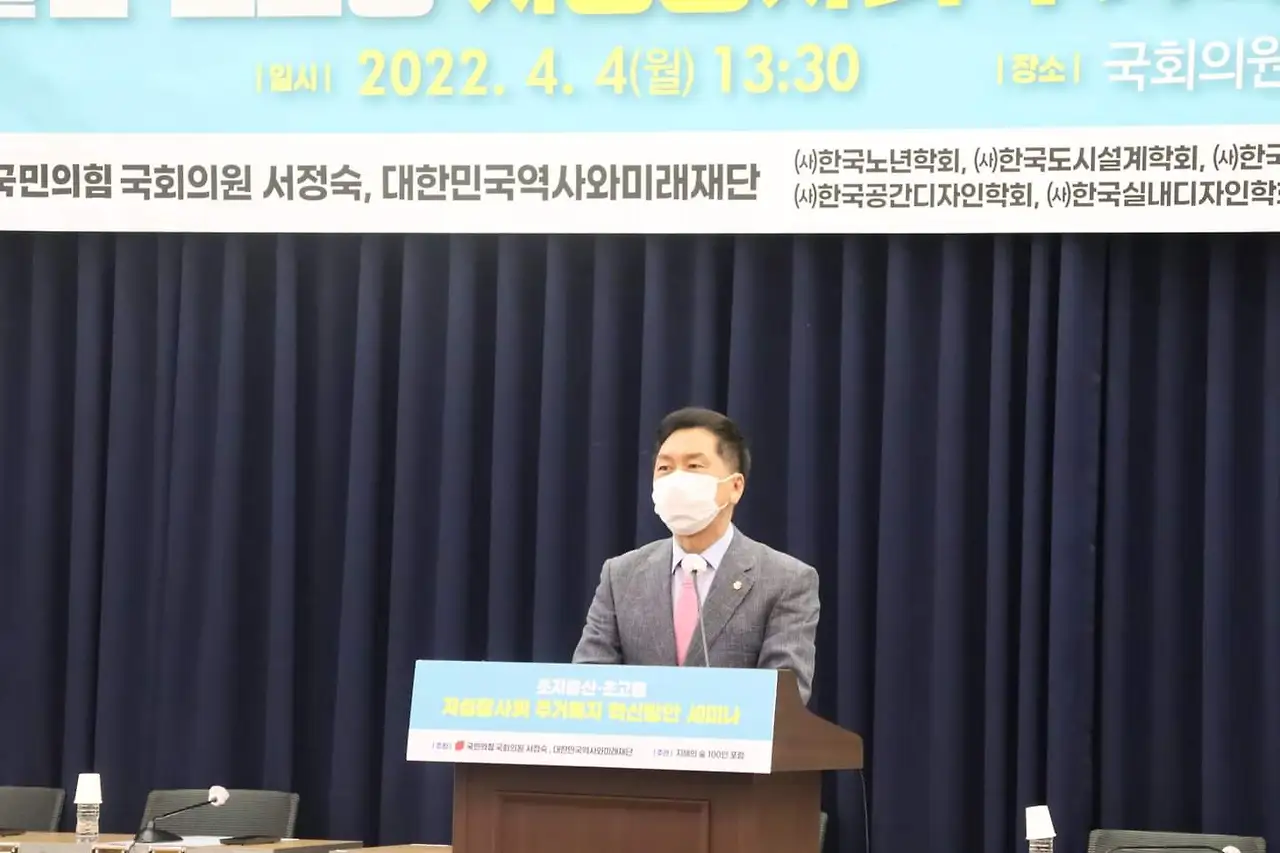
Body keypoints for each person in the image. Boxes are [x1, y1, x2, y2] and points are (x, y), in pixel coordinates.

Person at [572, 407, 820, 704]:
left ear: (735, 487)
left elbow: (783, 699)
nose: (676, 480)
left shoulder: (786, 580)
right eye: (665, 468)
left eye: (693, 466)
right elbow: (588, 683)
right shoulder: (620, 574)